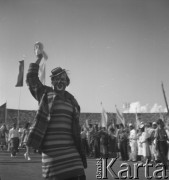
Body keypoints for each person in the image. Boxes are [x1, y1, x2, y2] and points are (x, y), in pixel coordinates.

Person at [26, 42, 87, 180]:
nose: (61, 81)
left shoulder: (72, 101)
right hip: (52, 159)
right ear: (52, 82)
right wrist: (39, 57)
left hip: (73, 157)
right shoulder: (45, 94)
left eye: (63, 79)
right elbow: (31, 78)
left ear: (67, 82)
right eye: (57, 79)